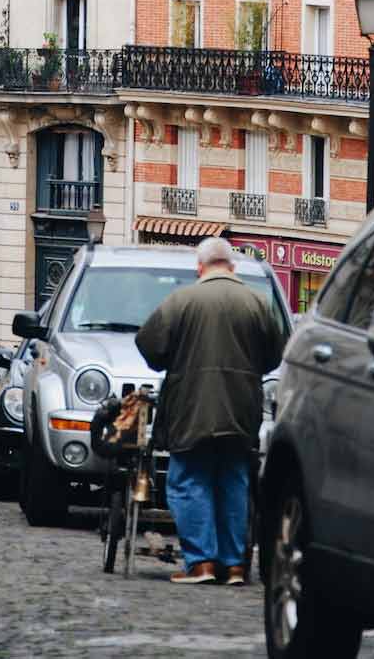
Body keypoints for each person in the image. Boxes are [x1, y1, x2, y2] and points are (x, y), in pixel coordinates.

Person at [135, 236, 286, 586]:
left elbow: (150, 347)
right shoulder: (257, 303)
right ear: (232, 267)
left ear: (200, 268)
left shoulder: (182, 300)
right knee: (234, 481)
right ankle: (234, 566)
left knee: (188, 480)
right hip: (241, 407)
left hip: (192, 406)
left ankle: (201, 562)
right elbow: (274, 356)